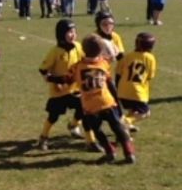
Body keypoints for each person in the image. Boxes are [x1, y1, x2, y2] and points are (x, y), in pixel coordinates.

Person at [68, 34, 136, 164]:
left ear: (83, 49)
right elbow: (110, 83)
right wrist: (116, 99)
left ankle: (110, 151)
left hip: (90, 106)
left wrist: (51, 77)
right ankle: (129, 153)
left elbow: (67, 78)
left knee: (97, 130)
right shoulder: (103, 63)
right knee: (117, 128)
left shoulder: (77, 66)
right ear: (100, 51)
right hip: (107, 102)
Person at [37, 19, 100, 152]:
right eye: (69, 32)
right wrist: (55, 81)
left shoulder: (78, 47)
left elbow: (84, 61)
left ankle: (90, 141)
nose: (73, 34)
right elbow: (43, 70)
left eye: (74, 31)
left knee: (84, 112)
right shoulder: (55, 51)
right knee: (53, 116)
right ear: (61, 34)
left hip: (76, 89)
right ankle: (43, 137)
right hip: (59, 92)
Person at [116, 32, 157, 132]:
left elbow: (118, 73)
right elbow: (150, 76)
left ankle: (127, 128)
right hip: (137, 92)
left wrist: (118, 88)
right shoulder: (150, 58)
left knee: (133, 110)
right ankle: (126, 121)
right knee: (145, 112)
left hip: (122, 90)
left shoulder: (127, 56)